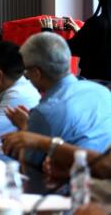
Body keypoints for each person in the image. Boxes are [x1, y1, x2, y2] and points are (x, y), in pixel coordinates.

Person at [10, 32, 111, 166]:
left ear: (36, 73)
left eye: (26, 71)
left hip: (74, 177)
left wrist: (24, 128)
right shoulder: (102, 91)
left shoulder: (44, 112)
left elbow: (29, 167)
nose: (26, 76)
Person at [40, 0, 111, 83]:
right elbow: (97, 44)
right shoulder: (97, 26)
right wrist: (79, 30)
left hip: (94, 88)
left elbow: (65, 49)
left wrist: (47, 31)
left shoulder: (96, 24)